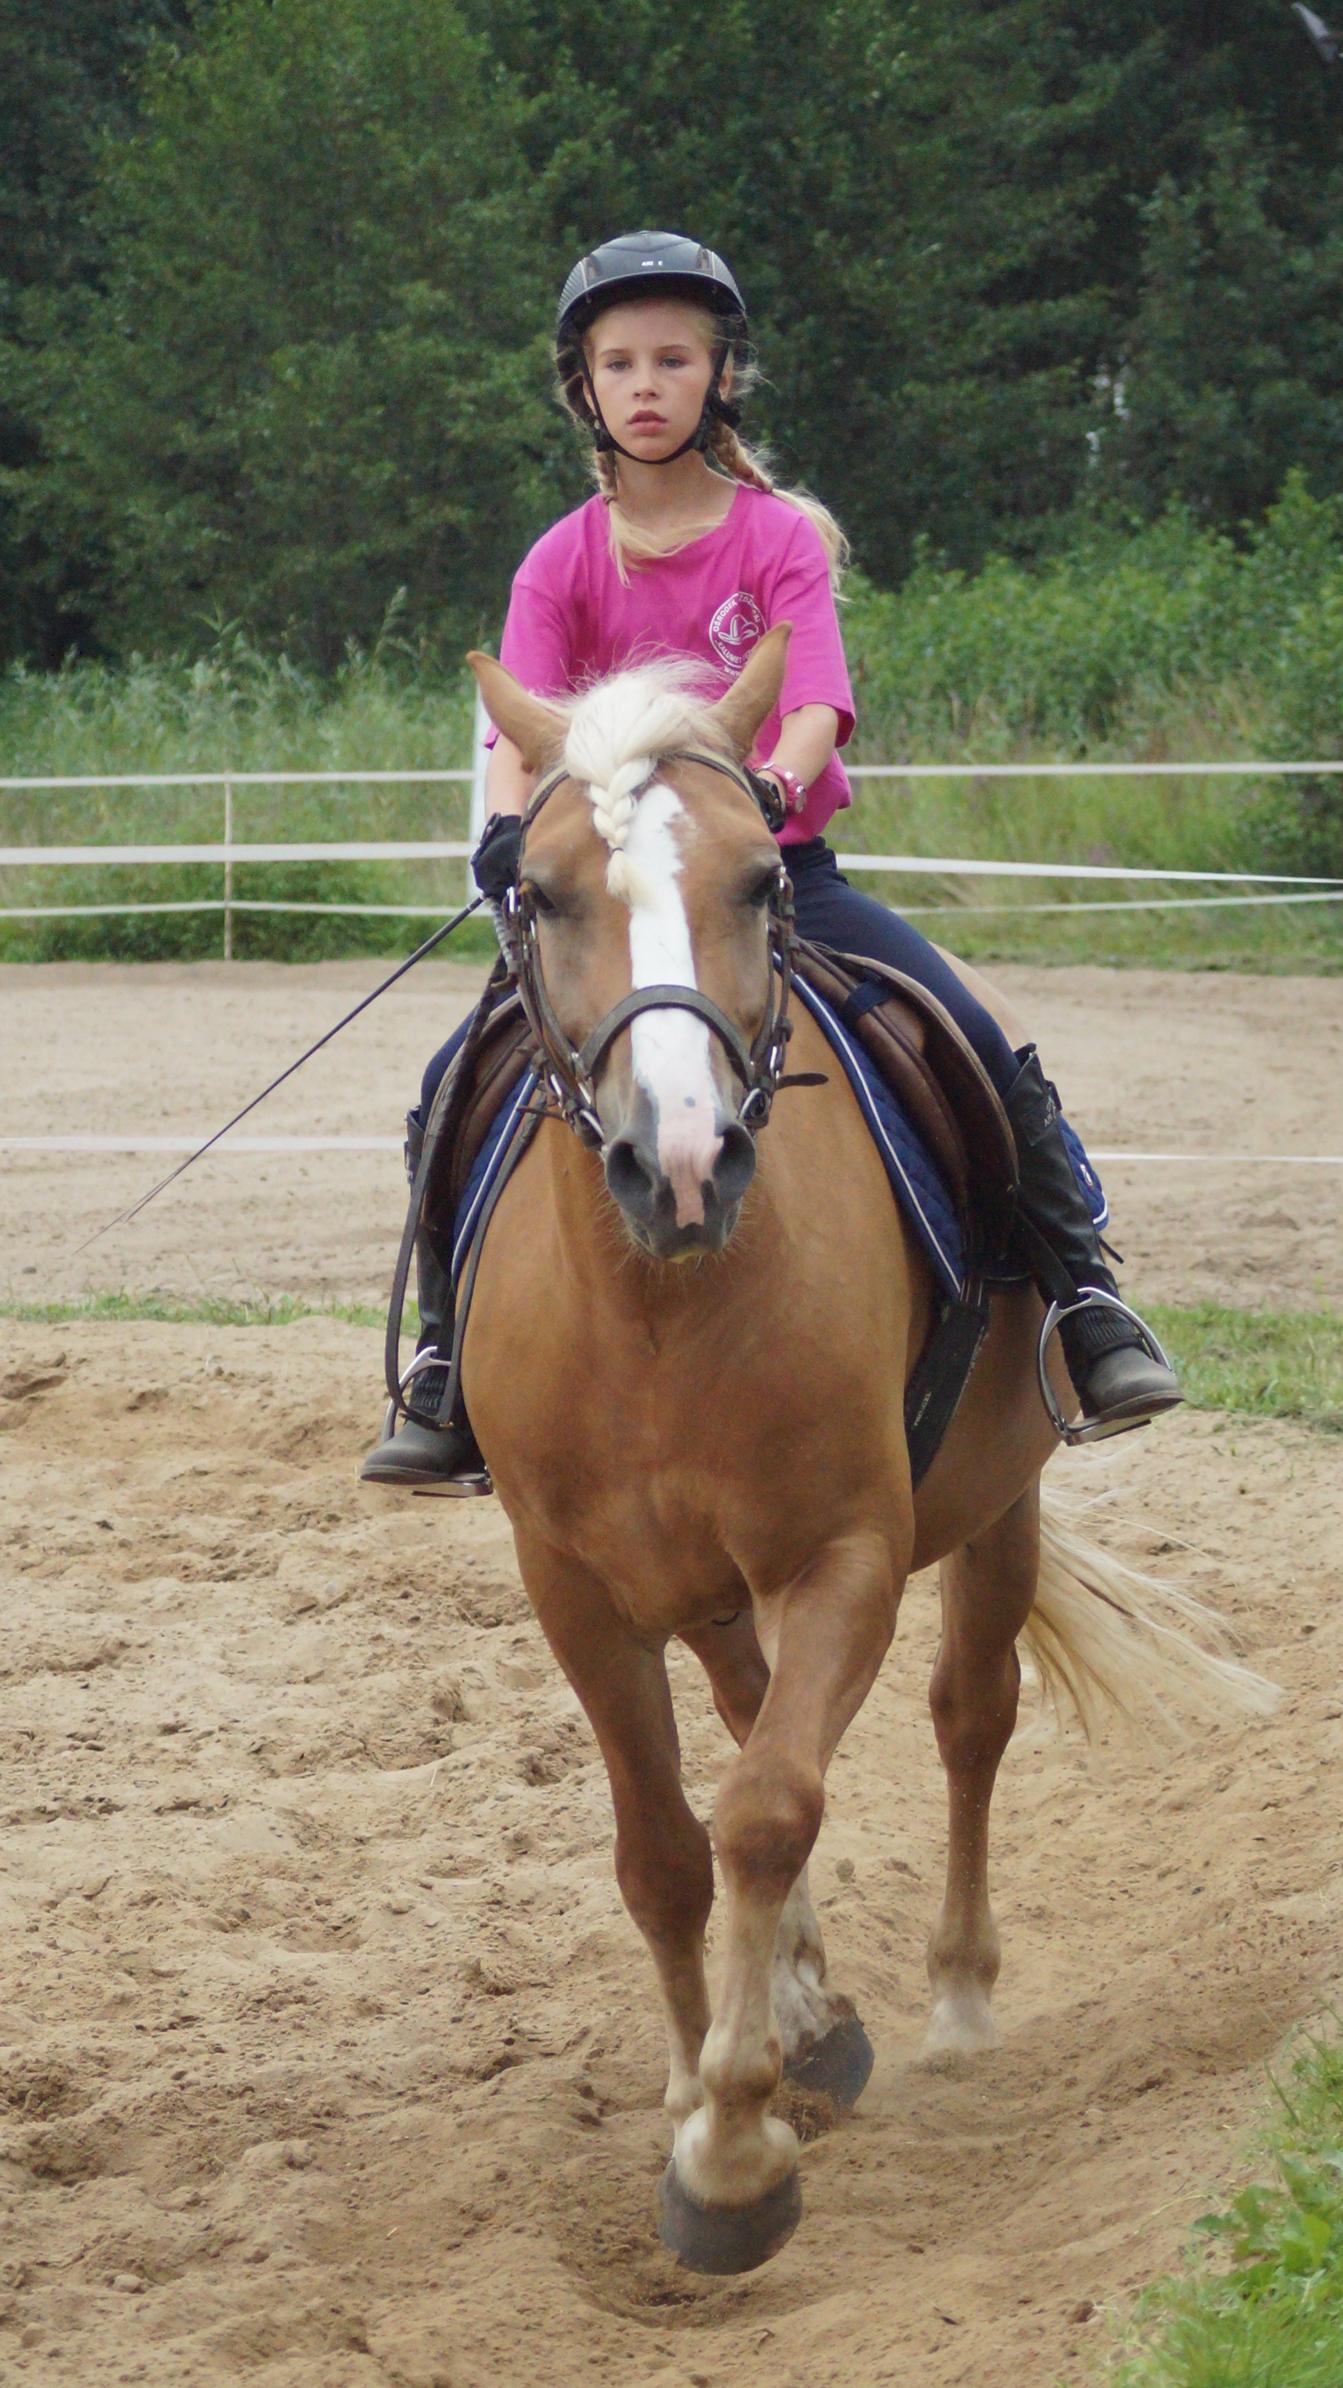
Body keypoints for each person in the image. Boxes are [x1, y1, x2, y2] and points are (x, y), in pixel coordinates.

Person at [360, 230, 1179, 1490]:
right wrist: (503, 833)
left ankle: (1083, 1301)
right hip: (612, 895)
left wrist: (769, 792)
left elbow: (813, 706)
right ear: (583, 387)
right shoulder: (558, 560)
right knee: (448, 1087)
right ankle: (442, 1362)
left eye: (672, 360)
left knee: (974, 1033)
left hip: (763, 877)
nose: (645, 385)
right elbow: (517, 726)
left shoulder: (776, 538)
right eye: (618, 363)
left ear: (719, 376)